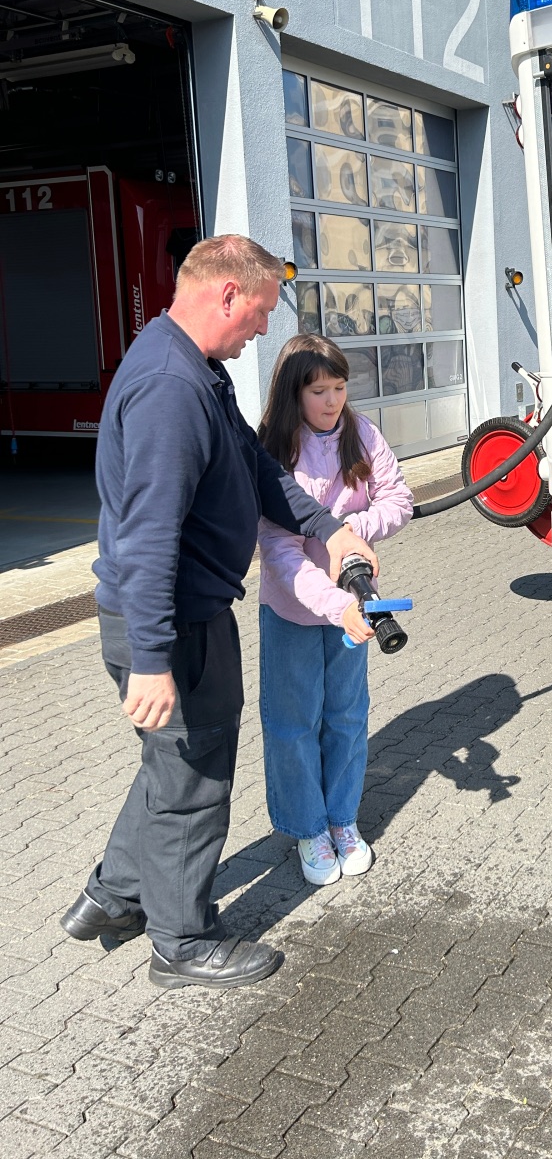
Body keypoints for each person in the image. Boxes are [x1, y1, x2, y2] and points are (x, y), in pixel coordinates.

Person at [60, 235, 379, 991]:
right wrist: (150, 656)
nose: (265, 329)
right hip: (173, 619)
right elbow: (146, 537)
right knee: (195, 777)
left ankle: (111, 898)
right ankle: (183, 942)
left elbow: (257, 469)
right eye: (261, 311)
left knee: (171, 765)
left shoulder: (197, 370)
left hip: (184, 613)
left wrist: (329, 528)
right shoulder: (172, 388)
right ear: (227, 294)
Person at [256, 335, 412, 884]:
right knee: (293, 723)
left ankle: (343, 819)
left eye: (340, 388)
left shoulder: (361, 433)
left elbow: (399, 499)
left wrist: (353, 530)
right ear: (292, 393)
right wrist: (333, 602)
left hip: (355, 604)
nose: (332, 402)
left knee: (346, 716)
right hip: (295, 612)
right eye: (318, 391)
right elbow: (279, 552)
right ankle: (307, 828)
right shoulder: (275, 453)